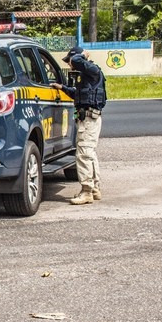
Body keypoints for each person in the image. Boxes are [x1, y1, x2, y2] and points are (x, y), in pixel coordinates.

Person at [50, 46, 107, 205]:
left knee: (83, 154)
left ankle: (86, 191)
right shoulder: (86, 76)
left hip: (89, 119)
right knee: (89, 153)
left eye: (69, 61)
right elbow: (78, 94)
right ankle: (94, 188)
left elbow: (76, 60)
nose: (70, 64)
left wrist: (79, 56)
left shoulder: (92, 70)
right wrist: (62, 88)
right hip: (86, 118)